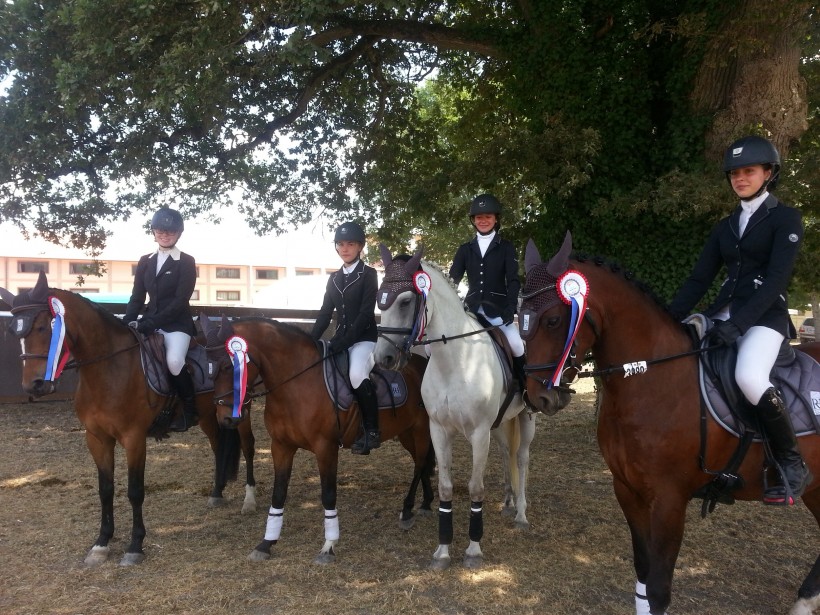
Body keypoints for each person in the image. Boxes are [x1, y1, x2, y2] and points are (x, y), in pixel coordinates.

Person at [668, 135, 812, 505]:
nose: (740, 178)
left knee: (749, 376)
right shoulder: (726, 225)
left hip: (766, 317)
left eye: (748, 171)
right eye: (734, 172)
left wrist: (741, 324)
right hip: (723, 312)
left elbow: (777, 281)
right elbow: (700, 278)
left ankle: (791, 462)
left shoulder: (786, 218)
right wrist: (668, 316)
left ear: (768, 173)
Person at [123, 207, 199, 432]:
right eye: (160, 231)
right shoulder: (145, 261)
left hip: (177, 324)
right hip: (149, 322)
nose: (165, 235)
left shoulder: (186, 261)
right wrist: (128, 320)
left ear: (178, 233)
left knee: (174, 361)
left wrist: (151, 323)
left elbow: (180, 301)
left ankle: (189, 409)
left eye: (170, 232)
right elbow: (137, 296)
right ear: (154, 232)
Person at [311, 221, 380, 454]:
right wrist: (311, 340)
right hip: (340, 338)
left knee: (356, 373)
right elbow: (324, 314)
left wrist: (343, 342)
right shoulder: (333, 279)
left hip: (364, 339)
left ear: (360, 246)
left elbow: (364, 314)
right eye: (341, 244)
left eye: (350, 244)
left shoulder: (368, 274)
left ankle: (371, 430)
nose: (345, 248)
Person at [449, 194, 527, 395]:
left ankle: (524, 390)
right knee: (434, 347)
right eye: (479, 217)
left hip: (499, 310)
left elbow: (513, 280)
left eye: (488, 217)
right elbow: (452, 281)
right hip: (471, 310)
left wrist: (511, 307)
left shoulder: (506, 247)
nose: (483, 221)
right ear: (473, 221)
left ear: (496, 219)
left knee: (517, 345)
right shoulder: (465, 249)